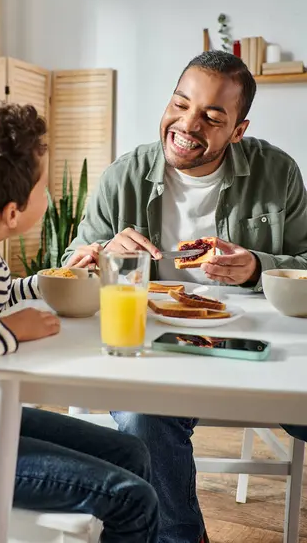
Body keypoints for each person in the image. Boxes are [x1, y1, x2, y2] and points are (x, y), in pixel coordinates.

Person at [62, 50, 307, 543]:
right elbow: (71, 266)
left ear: (238, 130)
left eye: (213, 117)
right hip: (155, 343)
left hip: (261, 344)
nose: (187, 124)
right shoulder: (123, 175)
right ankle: (181, 538)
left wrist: (259, 265)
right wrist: (105, 253)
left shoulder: (277, 173)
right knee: (141, 416)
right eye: (180, 104)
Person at [0, 102, 159, 543]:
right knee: (134, 498)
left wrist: (55, 281)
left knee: (132, 450)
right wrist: (10, 331)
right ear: (11, 213)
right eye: (43, 187)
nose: (49, 196)